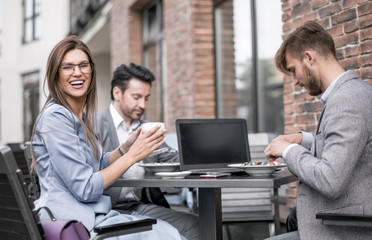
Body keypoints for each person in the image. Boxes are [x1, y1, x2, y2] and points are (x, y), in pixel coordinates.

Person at [31, 35, 187, 239]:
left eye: (83, 65)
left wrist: (124, 149)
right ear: (55, 74)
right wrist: (133, 157)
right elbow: (85, 187)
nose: (77, 72)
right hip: (75, 224)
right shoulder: (55, 118)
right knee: (170, 235)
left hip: (94, 216)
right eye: (67, 67)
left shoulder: (78, 116)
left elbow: (95, 163)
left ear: (92, 71)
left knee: (170, 231)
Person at [264, 21, 372, 239]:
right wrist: (302, 139)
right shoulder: (355, 92)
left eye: (293, 70)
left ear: (309, 58)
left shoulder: (346, 101)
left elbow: (330, 180)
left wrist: (287, 151)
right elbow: (349, 146)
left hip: (341, 229)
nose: (294, 82)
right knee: (293, 218)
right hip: (334, 217)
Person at [96, 63, 199, 240]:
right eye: (136, 97)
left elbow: (170, 159)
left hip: (138, 206)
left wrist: (198, 154)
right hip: (106, 210)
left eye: (146, 98)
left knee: (197, 226)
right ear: (117, 93)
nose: (142, 104)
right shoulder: (94, 125)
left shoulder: (148, 127)